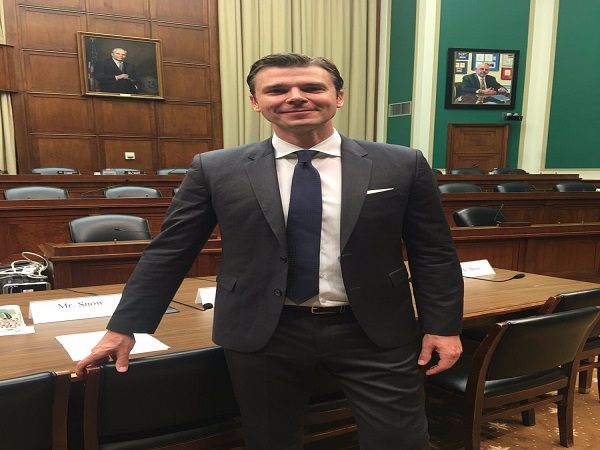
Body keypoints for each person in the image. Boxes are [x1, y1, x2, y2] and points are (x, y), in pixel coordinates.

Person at [76, 52, 464, 449]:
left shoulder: (401, 164)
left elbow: (433, 252)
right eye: (277, 90)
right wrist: (124, 326)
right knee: (270, 440)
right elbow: (169, 252)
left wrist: (444, 326)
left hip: (374, 328)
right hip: (263, 331)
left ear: (339, 96)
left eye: (312, 87)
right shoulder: (215, 169)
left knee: (401, 440)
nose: (295, 97)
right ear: (255, 102)